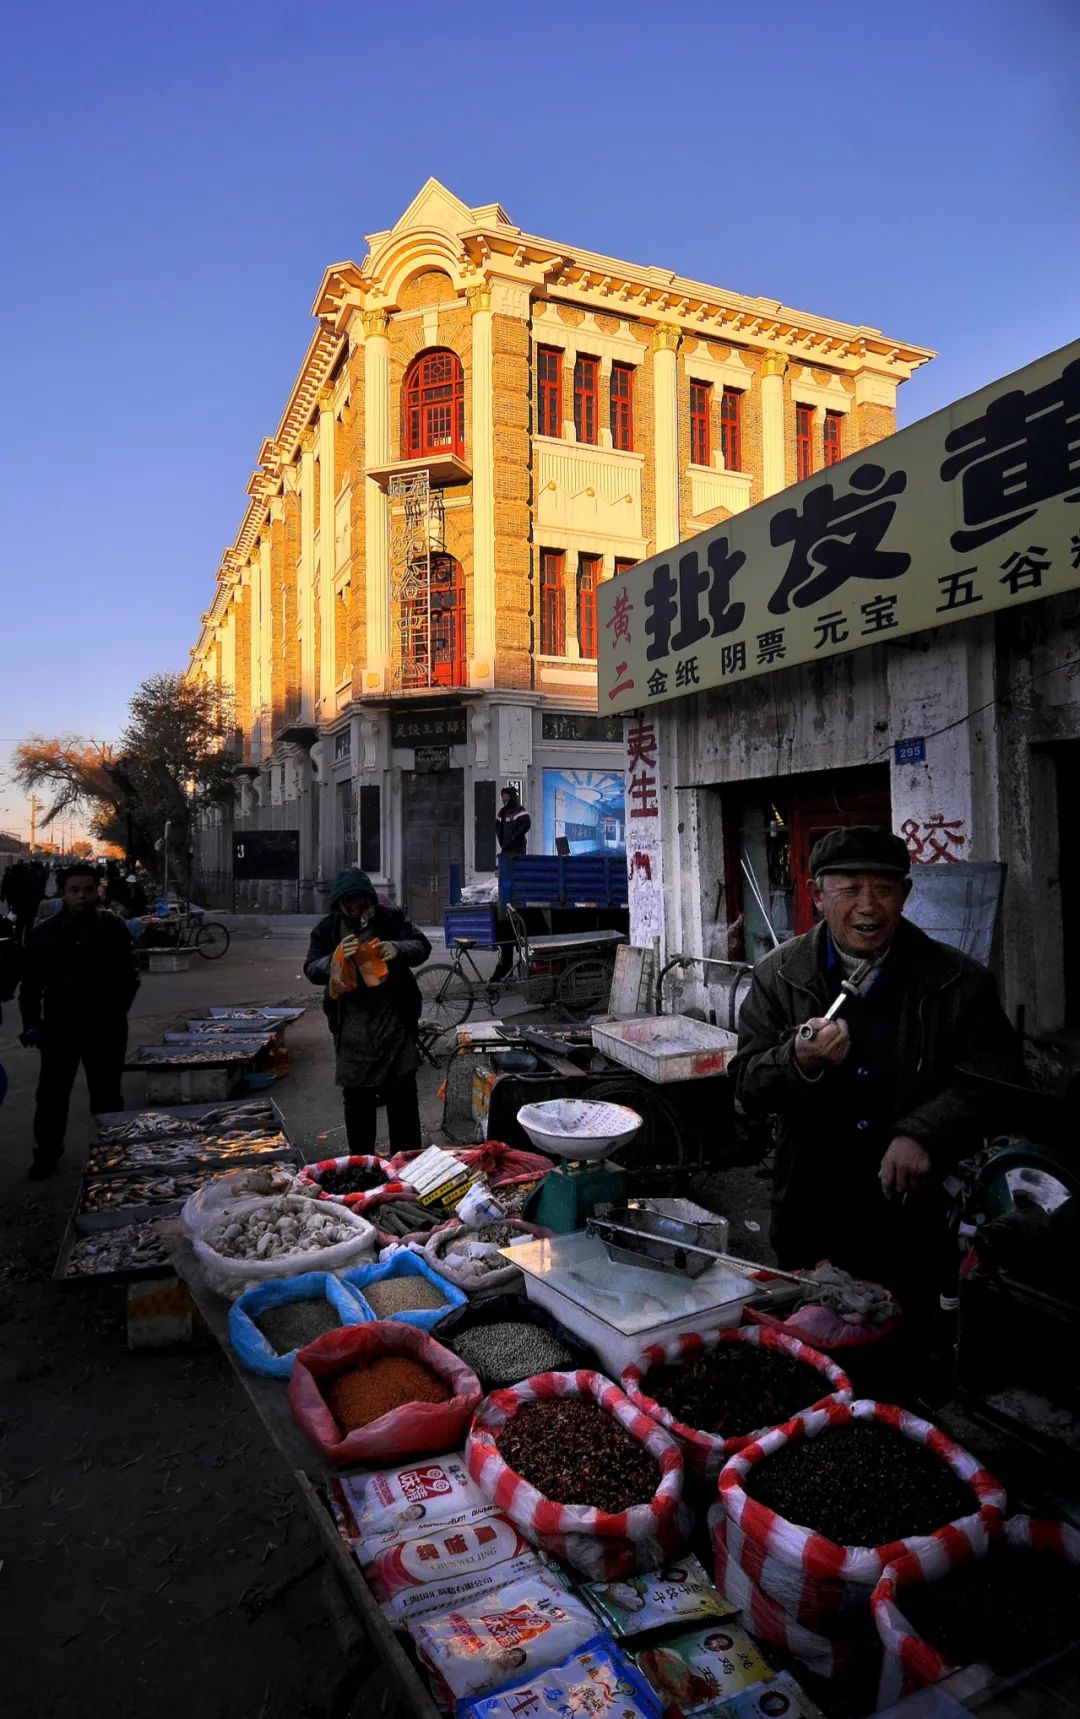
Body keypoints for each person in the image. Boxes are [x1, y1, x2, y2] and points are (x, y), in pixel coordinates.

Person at [730, 826, 1024, 1314]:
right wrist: (798, 1058)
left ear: (905, 896)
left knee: (911, 1348)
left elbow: (998, 1086)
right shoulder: (778, 975)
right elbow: (746, 1087)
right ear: (817, 896)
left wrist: (924, 1133)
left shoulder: (960, 981)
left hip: (918, 1217)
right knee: (816, 1344)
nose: (868, 907)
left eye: (884, 890)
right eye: (849, 890)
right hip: (811, 1211)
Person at [18, 861, 140, 1181]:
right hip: (60, 1029)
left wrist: (118, 1010)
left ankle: (112, 1153)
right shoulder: (45, 933)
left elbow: (131, 974)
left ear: (97, 890)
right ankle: (46, 1155)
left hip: (106, 1028)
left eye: (88, 889)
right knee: (52, 1096)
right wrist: (31, 1024)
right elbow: (30, 985)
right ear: (63, 893)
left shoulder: (113, 927)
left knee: (107, 1094)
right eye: (74, 890)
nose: (82, 896)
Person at [303, 866, 431, 1156]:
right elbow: (311, 969)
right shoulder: (326, 930)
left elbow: (422, 946)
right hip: (352, 1030)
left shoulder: (391, 919)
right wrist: (333, 959)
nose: (355, 907)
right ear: (339, 903)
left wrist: (397, 948)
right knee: (358, 1101)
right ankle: (363, 1165)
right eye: (348, 902)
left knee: (402, 1096)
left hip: (394, 1024)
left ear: (370, 899)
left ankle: (407, 1163)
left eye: (360, 900)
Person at [495, 786, 530, 857]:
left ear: (512, 797)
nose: (505, 799)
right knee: (505, 866)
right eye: (503, 797)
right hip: (505, 848)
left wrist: (514, 836)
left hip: (518, 848)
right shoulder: (502, 812)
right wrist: (501, 841)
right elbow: (497, 827)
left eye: (507, 796)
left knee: (517, 867)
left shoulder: (519, 810)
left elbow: (526, 824)